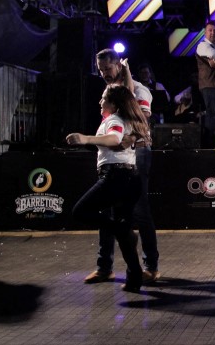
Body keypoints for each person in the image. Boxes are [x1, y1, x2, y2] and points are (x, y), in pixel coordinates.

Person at [84, 49, 160, 285]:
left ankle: (150, 266)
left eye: (108, 69)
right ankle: (104, 266)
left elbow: (142, 121)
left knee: (140, 210)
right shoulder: (109, 92)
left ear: (119, 65)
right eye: (100, 70)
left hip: (137, 153)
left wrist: (131, 138)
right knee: (106, 210)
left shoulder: (139, 90)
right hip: (114, 156)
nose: (104, 74)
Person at [67, 84, 150, 293]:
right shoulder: (129, 121)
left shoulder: (113, 119)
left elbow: (114, 139)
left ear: (113, 104)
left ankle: (123, 232)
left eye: (104, 98)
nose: (100, 101)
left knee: (80, 211)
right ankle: (134, 279)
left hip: (116, 177)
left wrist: (85, 139)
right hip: (131, 179)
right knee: (123, 232)